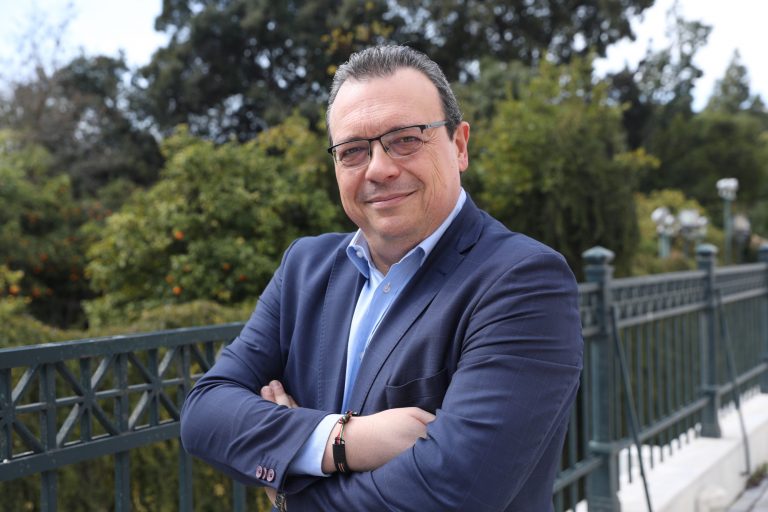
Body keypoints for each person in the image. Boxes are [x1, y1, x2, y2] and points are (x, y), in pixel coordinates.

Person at [180, 45, 583, 511]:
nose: (379, 168)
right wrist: (345, 441)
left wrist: (290, 488)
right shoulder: (304, 268)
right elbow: (205, 413)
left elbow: (455, 493)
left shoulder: (524, 281)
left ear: (459, 145)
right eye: (353, 151)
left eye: (406, 139)